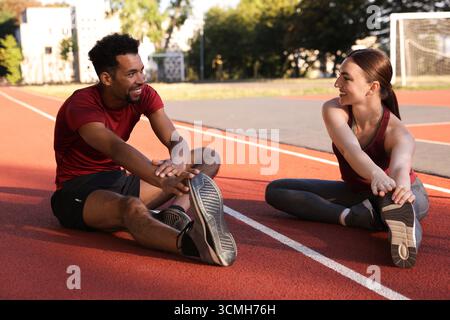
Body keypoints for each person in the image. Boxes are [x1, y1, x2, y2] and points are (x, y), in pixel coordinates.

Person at [51, 33, 237, 267]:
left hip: (119, 181)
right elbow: (115, 148)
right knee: (131, 207)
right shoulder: (82, 105)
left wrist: (178, 161)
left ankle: (175, 214)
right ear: (107, 78)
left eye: (141, 70)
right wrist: (162, 181)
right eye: (131, 74)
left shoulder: (143, 94)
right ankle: (193, 244)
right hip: (78, 191)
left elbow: (175, 138)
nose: (141, 79)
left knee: (207, 157)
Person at [265, 48, 429, 268]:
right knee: (276, 190)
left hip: (399, 191)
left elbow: (400, 168)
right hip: (358, 192)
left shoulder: (398, 133)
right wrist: (375, 174)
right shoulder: (334, 110)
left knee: (397, 208)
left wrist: (400, 189)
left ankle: (401, 236)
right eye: (338, 76)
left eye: (346, 78)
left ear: (372, 87)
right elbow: (351, 150)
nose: (337, 84)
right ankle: (357, 218)